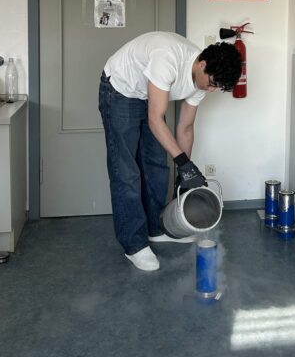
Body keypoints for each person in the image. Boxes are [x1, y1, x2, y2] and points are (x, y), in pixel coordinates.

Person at [98, 32, 242, 272]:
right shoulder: (169, 58)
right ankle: (134, 244)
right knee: (126, 172)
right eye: (212, 83)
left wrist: (183, 172)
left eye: (217, 87)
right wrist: (185, 164)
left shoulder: (203, 80)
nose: (211, 90)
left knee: (156, 165)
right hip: (121, 90)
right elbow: (155, 119)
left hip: (149, 94)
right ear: (202, 64)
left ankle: (156, 229)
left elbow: (185, 128)